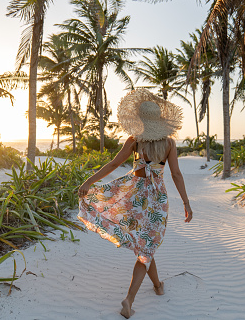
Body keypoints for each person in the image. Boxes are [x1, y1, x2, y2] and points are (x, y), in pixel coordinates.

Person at [77, 88, 192, 319]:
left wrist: (89, 181)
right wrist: (186, 203)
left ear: (140, 120)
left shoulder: (135, 140)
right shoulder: (169, 143)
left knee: (145, 246)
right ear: (160, 120)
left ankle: (158, 285)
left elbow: (112, 165)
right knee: (147, 247)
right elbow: (177, 175)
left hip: (135, 198)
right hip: (157, 201)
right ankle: (129, 299)